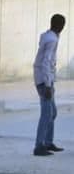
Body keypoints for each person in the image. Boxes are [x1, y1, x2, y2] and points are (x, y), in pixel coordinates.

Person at [33, 14, 66, 156]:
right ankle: (39, 146)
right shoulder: (52, 39)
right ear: (60, 26)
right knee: (47, 114)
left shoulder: (48, 36)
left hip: (46, 79)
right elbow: (46, 62)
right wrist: (47, 84)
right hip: (44, 80)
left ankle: (47, 142)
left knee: (52, 112)